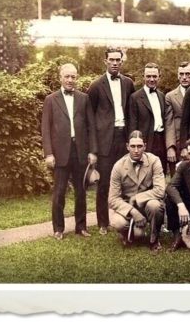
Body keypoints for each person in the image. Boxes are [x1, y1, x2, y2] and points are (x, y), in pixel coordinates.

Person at [41, 63, 97, 240]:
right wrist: (48, 153)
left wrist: (93, 151)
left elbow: (91, 127)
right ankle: (58, 228)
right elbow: (45, 129)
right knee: (59, 192)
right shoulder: (51, 99)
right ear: (60, 78)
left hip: (80, 151)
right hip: (60, 154)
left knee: (81, 192)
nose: (70, 80)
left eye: (73, 77)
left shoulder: (84, 98)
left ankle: (81, 227)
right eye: (67, 76)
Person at [87, 47, 135, 235]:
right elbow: (90, 118)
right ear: (105, 61)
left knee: (126, 181)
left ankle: (124, 218)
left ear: (122, 62)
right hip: (105, 140)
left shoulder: (128, 83)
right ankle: (102, 223)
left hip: (123, 138)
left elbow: (131, 112)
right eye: (112, 60)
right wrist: (93, 148)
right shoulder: (96, 85)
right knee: (105, 183)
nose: (115, 63)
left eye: (118, 60)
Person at [108, 131, 166, 252]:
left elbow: (160, 190)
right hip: (128, 206)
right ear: (127, 146)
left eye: (139, 146)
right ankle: (127, 233)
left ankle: (154, 239)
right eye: (133, 146)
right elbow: (113, 199)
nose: (136, 150)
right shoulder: (118, 166)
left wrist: (138, 197)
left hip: (147, 205)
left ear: (144, 146)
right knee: (118, 222)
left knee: (155, 205)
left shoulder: (154, 161)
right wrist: (133, 211)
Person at [128, 63, 167, 161]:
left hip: (161, 141)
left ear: (159, 77)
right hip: (145, 142)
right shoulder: (135, 97)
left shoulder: (162, 96)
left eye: (154, 76)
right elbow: (133, 124)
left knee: (160, 171)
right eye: (148, 76)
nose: (152, 79)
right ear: (143, 77)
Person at [164, 61, 190, 178]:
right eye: (181, 74)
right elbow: (169, 122)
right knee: (177, 179)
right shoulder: (170, 96)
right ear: (177, 76)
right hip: (177, 142)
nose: (184, 77)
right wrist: (171, 147)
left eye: (187, 74)